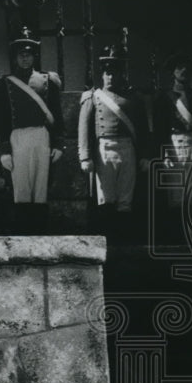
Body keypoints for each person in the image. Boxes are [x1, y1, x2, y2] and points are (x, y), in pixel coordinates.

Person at [0, 26, 65, 234]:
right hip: (18, 137)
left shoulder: (48, 80)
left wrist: (58, 143)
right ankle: (24, 235)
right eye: (21, 55)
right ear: (15, 57)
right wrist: (4, 150)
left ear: (34, 56)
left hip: (41, 135)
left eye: (28, 54)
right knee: (21, 189)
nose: (25, 58)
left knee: (41, 188)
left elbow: (57, 115)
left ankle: (40, 233)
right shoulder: (4, 84)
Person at [78, 45, 149, 241]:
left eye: (115, 72)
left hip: (128, 149)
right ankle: (107, 241)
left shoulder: (133, 98)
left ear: (121, 73)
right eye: (108, 72)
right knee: (106, 198)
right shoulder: (93, 97)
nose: (111, 77)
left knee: (126, 198)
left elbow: (142, 129)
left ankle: (124, 241)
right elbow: (83, 129)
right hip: (104, 151)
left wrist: (144, 155)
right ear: (102, 74)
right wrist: (85, 156)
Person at [152, 52, 192, 244]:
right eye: (179, 67)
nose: (184, 71)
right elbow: (160, 129)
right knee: (177, 194)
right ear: (173, 72)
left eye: (187, 67)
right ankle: (176, 236)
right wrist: (165, 153)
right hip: (175, 146)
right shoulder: (165, 98)